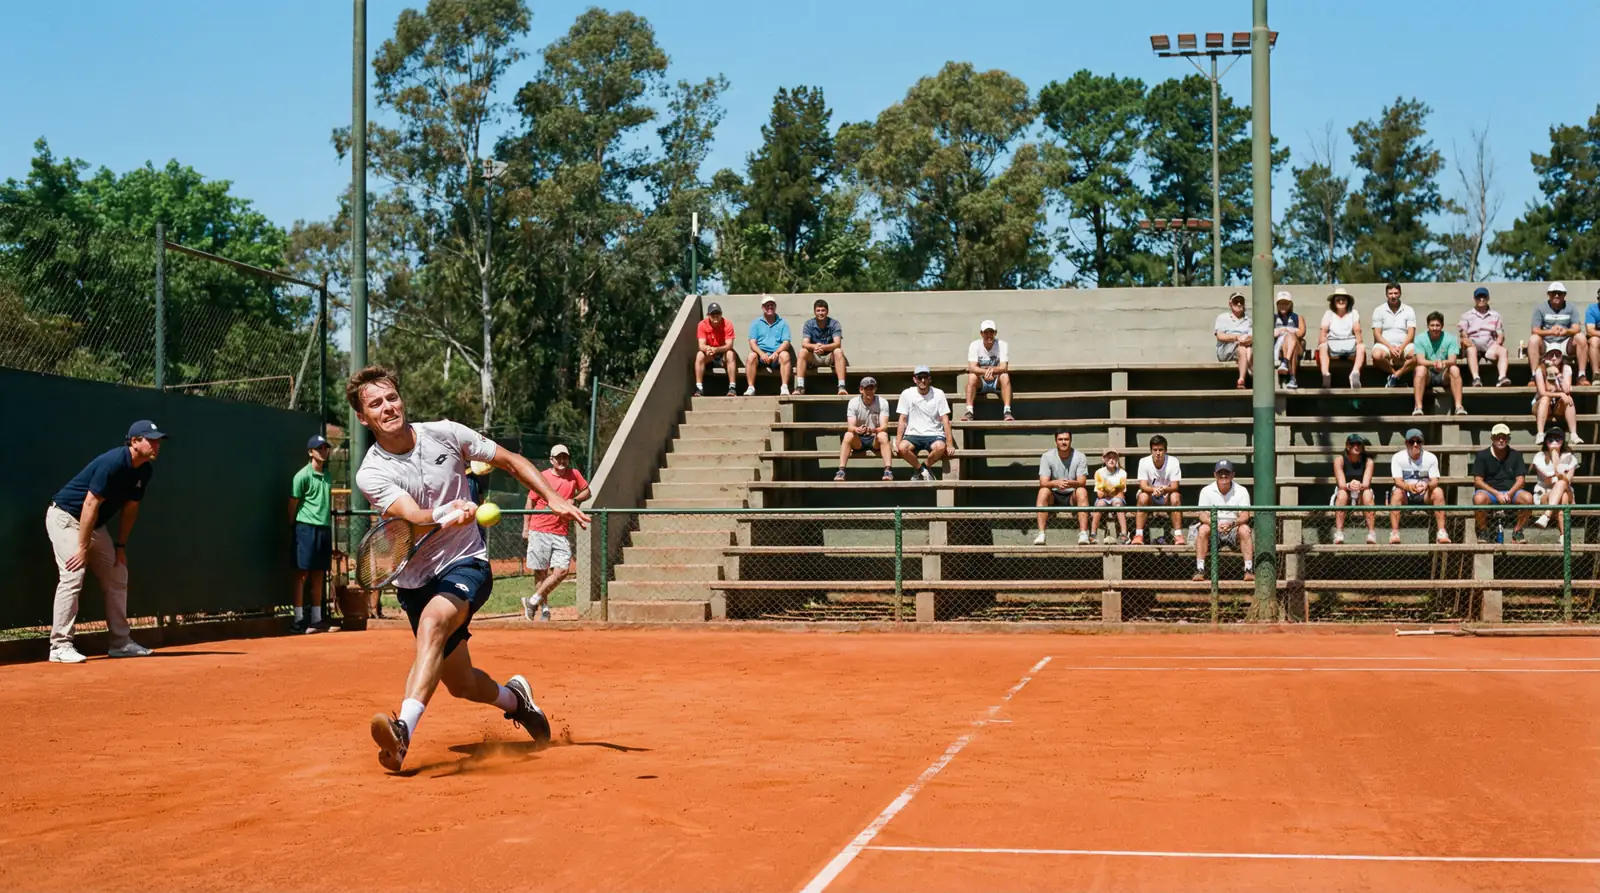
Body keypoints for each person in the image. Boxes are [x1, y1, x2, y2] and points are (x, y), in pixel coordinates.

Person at [349, 365, 589, 772]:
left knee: (432, 623)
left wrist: (551, 497)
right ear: (363, 417)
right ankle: (517, 700)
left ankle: (402, 732)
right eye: (376, 404)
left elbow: (510, 460)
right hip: (415, 579)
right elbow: (413, 516)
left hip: (466, 561)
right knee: (461, 684)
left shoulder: (445, 432)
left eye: (391, 397)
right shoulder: (371, 472)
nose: (388, 407)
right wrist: (444, 513)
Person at [43, 420, 166, 663]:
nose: (156, 445)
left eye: (158, 441)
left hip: (94, 525)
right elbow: (90, 503)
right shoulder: (113, 462)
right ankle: (59, 645)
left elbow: (130, 509)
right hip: (66, 518)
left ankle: (120, 643)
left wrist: (120, 546)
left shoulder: (144, 470)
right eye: (150, 440)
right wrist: (82, 546)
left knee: (117, 574)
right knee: (73, 574)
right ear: (134, 442)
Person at [521, 444, 591, 622]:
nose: (562, 461)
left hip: (560, 531)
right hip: (539, 529)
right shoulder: (542, 476)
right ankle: (544, 609)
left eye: (564, 457)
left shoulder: (574, 474)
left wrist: (573, 499)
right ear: (551, 460)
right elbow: (530, 501)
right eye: (558, 457)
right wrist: (526, 528)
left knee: (562, 570)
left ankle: (533, 600)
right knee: (540, 572)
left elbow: (587, 492)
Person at [289, 434, 334, 634]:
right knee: (302, 574)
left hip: (323, 529)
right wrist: (295, 527)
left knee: (319, 574)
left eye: (325, 448)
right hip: (305, 528)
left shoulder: (329, 476)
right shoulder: (301, 476)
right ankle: (298, 619)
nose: (323, 451)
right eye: (319, 448)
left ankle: (316, 619)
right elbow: (292, 504)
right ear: (310, 452)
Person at [1471, 423, 1533, 544]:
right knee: (1478, 498)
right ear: (1492, 438)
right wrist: (1496, 493)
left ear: (1508, 439)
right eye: (1498, 436)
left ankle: (1518, 531)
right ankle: (1483, 531)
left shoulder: (1516, 455)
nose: (1501, 439)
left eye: (1504, 437)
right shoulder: (1482, 455)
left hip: (1511, 492)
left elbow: (1521, 480)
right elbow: (1477, 481)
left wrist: (1510, 493)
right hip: (1490, 492)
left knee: (1528, 498)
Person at [1192, 460, 1253, 582]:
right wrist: (1214, 524)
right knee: (1203, 529)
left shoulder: (1241, 490)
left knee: (1245, 529)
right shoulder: (1206, 490)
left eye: (1227, 473)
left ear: (1232, 475)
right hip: (1214, 528)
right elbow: (1202, 515)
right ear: (1215, 475)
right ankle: (1200, 569)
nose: (1223, 476)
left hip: (1233, 529)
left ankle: (1248, 570)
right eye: (1220, 473)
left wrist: (1233, 524)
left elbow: (1245, 515)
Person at [1389, 427, 1449, 544]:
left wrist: (1427, 485)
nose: (1415, 445)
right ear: (1406, 443)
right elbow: (1398, 481)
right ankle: (1395, 533)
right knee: (1396, 492)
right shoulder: (1397, 457)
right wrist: (1408, 487)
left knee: (1438, 491)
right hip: (1405, 494)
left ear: (1422, 443)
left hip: (1425, 494)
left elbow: (1435, 480)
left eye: (1418, 441)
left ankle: (1441, 532)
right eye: (1412, 441)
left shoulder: (1430, 457)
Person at [894, 365, 954, 481]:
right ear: (914, 379)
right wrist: (897, 442)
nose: (923, 380)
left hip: (934, 434)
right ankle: (922, 470)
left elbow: (945, 419)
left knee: (941, 447)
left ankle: (923, 467)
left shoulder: (939, 394)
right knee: (902, 448)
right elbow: (902, 419)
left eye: (925, 377)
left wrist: (950, 443)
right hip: (913, 434)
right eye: (920, 377)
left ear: (929, 379)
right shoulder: (907, 394)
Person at [1034, 429, 1090, 546]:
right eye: (1060, 439)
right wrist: (1055, 483)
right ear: (1056, 441)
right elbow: (1043, 482)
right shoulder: (1047, 456)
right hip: (1053, 495)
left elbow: (1082, 481)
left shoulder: (1080, 456)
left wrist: (1069, 483)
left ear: (1071, 441)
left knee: (1082, 491)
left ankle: (1084, 534)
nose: (1063, 442)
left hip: (1072, 495)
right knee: (1043, 491)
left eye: (1066, 439)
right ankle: (1041, 534)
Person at [1529, 282, 1589, 385]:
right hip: (1547, 342)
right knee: (1533, 339)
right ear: (1549, 294)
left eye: (1559, 293)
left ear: (1564, 295)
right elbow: (1535, 330)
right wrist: (1550, 331)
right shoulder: (1540, 308)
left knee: (1581, 337)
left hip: (1565, 342)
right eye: (1553, 293)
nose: (1556, 295)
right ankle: (1535, 376)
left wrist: (1566, 331)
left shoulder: (1571, 307)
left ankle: (1581, 376)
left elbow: (1577, 327)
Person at [836, 377, 893, 481]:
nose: (869, 391)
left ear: (875, 389)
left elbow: (884, 426)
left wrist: (873, 430)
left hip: (875, 438)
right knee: (848, 435)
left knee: (883, 435)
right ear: (861, 389)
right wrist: (856, 429)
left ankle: (888, 470)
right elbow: (850, 426)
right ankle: (841, 470)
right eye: (867, 388)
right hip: (859, 439)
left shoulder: (882, 402)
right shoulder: (853, 402)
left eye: (872, 388)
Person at [1412, 311, 1466, 416]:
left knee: (1455, 369)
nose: (1435, 328)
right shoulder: (1420, 338)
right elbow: (1420, 360)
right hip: (1427, 374)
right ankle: (1418, 407)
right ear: (1428, 326)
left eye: (1437, 325)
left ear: (1442, 326)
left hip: (1444, 373)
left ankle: (1459, 407)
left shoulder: (1450, 338)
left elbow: (1452, 360)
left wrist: (1442, 362)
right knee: (1420, 369)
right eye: (1432, 325)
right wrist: (1434, 363)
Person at [1133, 435, 1184, 546]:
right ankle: (1138, 535)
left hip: (1167, 496)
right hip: (1150, 496)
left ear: (1165, 450)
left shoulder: (1173, 461)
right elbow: (1143, 486)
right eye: (1155, 450)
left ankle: (1178, 535)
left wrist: (1165, 489)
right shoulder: (1143, 462)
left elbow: (1175, 486)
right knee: (1142, 496)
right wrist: (1154, 490)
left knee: (1175, 496)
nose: (1158, 453)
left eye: (1160, 450)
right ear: (1151, 450)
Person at [1458, 286, 1510, 387]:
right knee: (1471, 350)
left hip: (1490, 344)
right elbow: (1463, 334)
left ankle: (1502, 377)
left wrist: (1497, 344)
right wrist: (1467, 342)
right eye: (1479, 297)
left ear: (1488, 298)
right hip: (1473, 344)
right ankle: (1476, 378)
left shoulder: (1495, 315)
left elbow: (1500, 334)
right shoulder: (1467, 315)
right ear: (1474, 299)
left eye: (1484, 297)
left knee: (1503, 351)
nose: (1481, 299)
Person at [963, 319, 1014, 421]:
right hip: (981, 381)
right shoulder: (975, 345)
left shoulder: (1002, 345)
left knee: (1005, 376)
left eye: (991, 332)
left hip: (996, 381)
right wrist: (986, 372)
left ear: (995, 333)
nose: (988, 335)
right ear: (981, 334)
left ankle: (1007, 412)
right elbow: (972, 367)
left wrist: (990, 370)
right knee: (971, 376)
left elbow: (1004, 367)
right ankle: (969, 411)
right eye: (985, 332)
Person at [1331, 434, 1377, 545]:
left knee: (1367, 493)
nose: (1356, 446)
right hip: (1345, 491)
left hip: (1361, 492)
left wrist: (1358, 486)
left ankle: (1371, 533)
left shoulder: (1368, 462)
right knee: (1342, 494)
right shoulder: (1339, 460)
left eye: (1358, 444)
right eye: (1352, 444)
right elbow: (1341, 484)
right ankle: (1339, 533)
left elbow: (1366, 484)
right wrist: (1349, 485)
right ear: (1347, 446)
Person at [1371, 282, 1418, 388]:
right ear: (1386, 294)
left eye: (1396, 293)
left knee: (1417, 355)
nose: (1393, 296)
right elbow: (1377, 334)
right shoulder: (1379, 310)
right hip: (1385, 345)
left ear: (1400, 293)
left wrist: (1401, 348)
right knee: (1377, 355)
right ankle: (1395, 375)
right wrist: (1391, 348)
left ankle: (1395, 377)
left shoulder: (1409, 310)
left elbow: (1411, 333)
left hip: (1404, 345)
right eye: (1390, 293)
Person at [1318, 287, 1365, 389]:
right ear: (1333, 302)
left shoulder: (1354, 313)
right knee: (1322, 346)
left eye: (1343, 299)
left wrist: (1359, 342)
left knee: (1361, 347)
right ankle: (1325, 375)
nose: (1341, 301)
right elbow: (1323, 331)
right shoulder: (1328, 314)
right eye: (1338, 299)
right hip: (1333, 348)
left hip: (1350, 347)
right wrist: (1323, 342)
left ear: (1348, 301)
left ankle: (1355, 374)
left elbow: (1357, 330)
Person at [744, 297, 793, 396]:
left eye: (772, 305)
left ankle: (784, 387)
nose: (770, 307)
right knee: (751, 356)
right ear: (762, 308)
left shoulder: (783, 323)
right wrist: (761, 354)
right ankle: (750, 387)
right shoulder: (756, 323)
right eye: (767, 305)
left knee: (785, 355)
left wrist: (777, 353)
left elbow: (786, 342)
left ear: (775, 307)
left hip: (776, 356)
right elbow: (752, 342)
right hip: (761, 356)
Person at [1531, 428, 1577, 531]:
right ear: (1545, 442)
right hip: (1545, 494)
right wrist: (1554, 455)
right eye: (1550, 439)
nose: (1554, 441)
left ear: (1563, 441)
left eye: (1557, 438)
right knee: (1563, 496)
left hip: (1567, 491)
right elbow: (1548, 481)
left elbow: (1567, 481)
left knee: (1562, 485)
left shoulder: (1570, 458)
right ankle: (1563, 537)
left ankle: (1547, 515)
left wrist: (1556, 458)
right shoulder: (1539, 457)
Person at [798, 299, 847, 396]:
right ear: (814, 312)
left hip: (830, 356)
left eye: (823, 310)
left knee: (838, 351)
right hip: (814, 356)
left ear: (827, 311)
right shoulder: (809, 324)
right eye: (818, 310)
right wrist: (815, 347)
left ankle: (842, 386)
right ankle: (800, 387)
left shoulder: (834, 324)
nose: (820, 313)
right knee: (802, 351)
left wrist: (824, 347)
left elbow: (837, 343)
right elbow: (805, 344)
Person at [1534, 347, 1583, 442]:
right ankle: (1540, 434)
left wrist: (1558, 374)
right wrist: (1560, 394)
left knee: (1569, 399)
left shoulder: (1566, 369)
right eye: (1550, 355)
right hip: (1542, 405)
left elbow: (1567, 390)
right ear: (1545, 357)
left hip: (1557, 406)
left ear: (1561, 357)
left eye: (1557, 354)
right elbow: (1542, 392)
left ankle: (1574, 434)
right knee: (1545, 398)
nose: (1554, 357)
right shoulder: (1540, 370)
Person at [695, 302, 739, 397]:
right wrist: (708, 348)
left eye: (717, 313)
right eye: (712, 314)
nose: (715, 316)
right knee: (699, 355)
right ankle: (699, 388)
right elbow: (701, 345)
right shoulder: (702, 325)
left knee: (730, 354)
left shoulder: (727, 324)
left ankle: (732, 388)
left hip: (723, 354)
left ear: (721, 314)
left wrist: (716, 349)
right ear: (708, 315)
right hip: (710, 355)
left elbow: (729, 345)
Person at [1214, 292, 1253, 389]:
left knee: (1245, 347)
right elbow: (1220, 336)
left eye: (1241, 302)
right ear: (1230, 304)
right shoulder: (1223, 318)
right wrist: (1237, 337)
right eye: (1236, 302)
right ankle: (1252, 371)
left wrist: (1248, 339)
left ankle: (1241, 380)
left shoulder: (1248, 321)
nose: (1239, 304)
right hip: (1225, 349)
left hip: (1244, 348)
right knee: (1243, 346)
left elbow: (1252, 336)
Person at [1091, 448, 1129, 545]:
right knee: (1100, 503)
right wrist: (1113, 490)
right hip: (1103, 499)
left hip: (1116, 499)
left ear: (1117, 459)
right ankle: (1092, 534)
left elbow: (1121, 494)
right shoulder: (1099, 473)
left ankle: (1124, 534)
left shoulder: (1122, 473)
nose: (1111, 460)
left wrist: (1107, 490)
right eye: (1109, 458)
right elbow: (1099, 494)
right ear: (1104, 459)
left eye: (1114, 458)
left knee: (1117, 502)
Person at [1272, 290, 1305, 390]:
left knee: (1291, 338)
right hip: (1280, 349)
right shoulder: (1272, 318)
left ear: (1290, 305)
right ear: (1277, 305)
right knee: (1292, 350)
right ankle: (1292, 378)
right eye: (1280, 303)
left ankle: (1285, 362)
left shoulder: (1298, 317)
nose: (1283, 306)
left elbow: (1301, 333)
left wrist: (1285, 330)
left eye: (1285, 304)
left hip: (1295, 345)